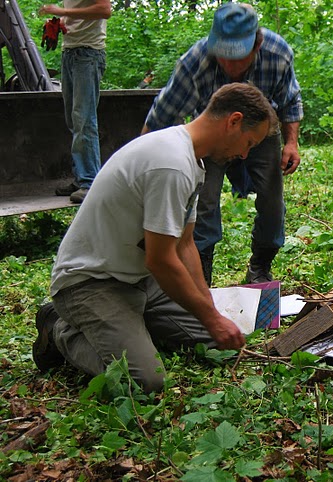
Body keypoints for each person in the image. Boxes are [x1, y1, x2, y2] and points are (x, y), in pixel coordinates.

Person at [32, 83, 277, 393]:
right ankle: (58, 328)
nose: (244, 154)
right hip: (90, 283)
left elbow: (185, 245)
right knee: (144, 382)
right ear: (234, 121)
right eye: (249, 143)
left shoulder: (192, 162)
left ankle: (128, 329)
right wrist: (212, 318)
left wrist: (210, 313)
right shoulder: (170, 163)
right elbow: (160, 260)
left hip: (137, 281)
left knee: (213, 341)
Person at [142, 2, 302, 286]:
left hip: (263, 134)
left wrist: (291, 142)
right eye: (223, 56)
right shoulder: (196, 62)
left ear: (257, 45)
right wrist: (140, 169)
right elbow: (160, 118)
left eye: (237, 57)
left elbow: (290, 101)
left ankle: (261, 265)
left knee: (272, 199)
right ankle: (200, 269)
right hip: (213, 140)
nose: (229, 65)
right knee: (203, 201)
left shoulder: (278, 55)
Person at [39, 0, 112, 204]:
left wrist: (62, 10)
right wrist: (62, 22)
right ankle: (81, 178)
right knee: (73, 120)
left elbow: (105, 10)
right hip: (70, 52)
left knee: (84, 120)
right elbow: (80, 14)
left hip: (88, 54)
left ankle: (90, 183)